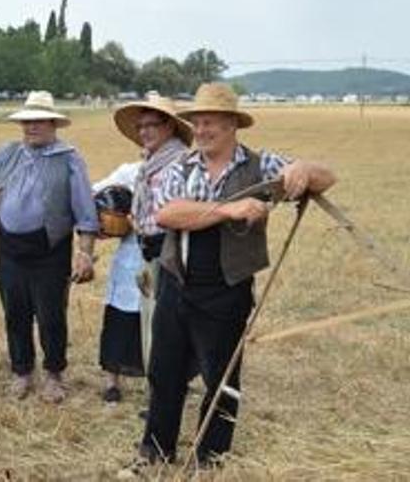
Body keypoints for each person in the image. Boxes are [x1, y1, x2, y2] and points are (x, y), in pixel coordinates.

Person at [123, 83, 337, 475]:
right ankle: (155, 450)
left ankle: (211, 457)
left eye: (210, 123)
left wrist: (303, 170)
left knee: (222, 376)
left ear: (232, 125)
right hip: (177, 282)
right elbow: (168, 214)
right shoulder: (181, 167)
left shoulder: (260, 165)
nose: (201, 130)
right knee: (164, 370)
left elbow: (327, 178)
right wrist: (231, 210)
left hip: (228, 289)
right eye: (197, 122)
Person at [0, 91, 99, 403]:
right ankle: (21, 371)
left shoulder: (68, 158)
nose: (32, 127)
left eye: (39, 121)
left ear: (53, 123)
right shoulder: (8, 152)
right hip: (10, 248)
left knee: (51, 315)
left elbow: (85, 211)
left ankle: (54, 374)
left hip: (49, 251)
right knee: (15, 312)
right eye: (27, 121)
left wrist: (84, 252)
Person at [111, 97, 193, 371]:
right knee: (154, 321)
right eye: (140, 126)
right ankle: (160, 385)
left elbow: (174, 212)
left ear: (169, 127)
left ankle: (170, 383)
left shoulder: (180, 161)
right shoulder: (150, 162)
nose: (144, 131)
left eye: (151, 125)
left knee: (166, 325)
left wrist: (143, 223)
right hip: (151, 249)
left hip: (169, 250)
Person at [92, 162, 144, 404]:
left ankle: (166, 381)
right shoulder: (129, 171)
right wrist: (100, 219)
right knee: (119, 320)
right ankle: (111, 382)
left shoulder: (182, 172)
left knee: (163, 325)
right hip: (131, 257)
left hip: (166, 258)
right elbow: (95, 192)